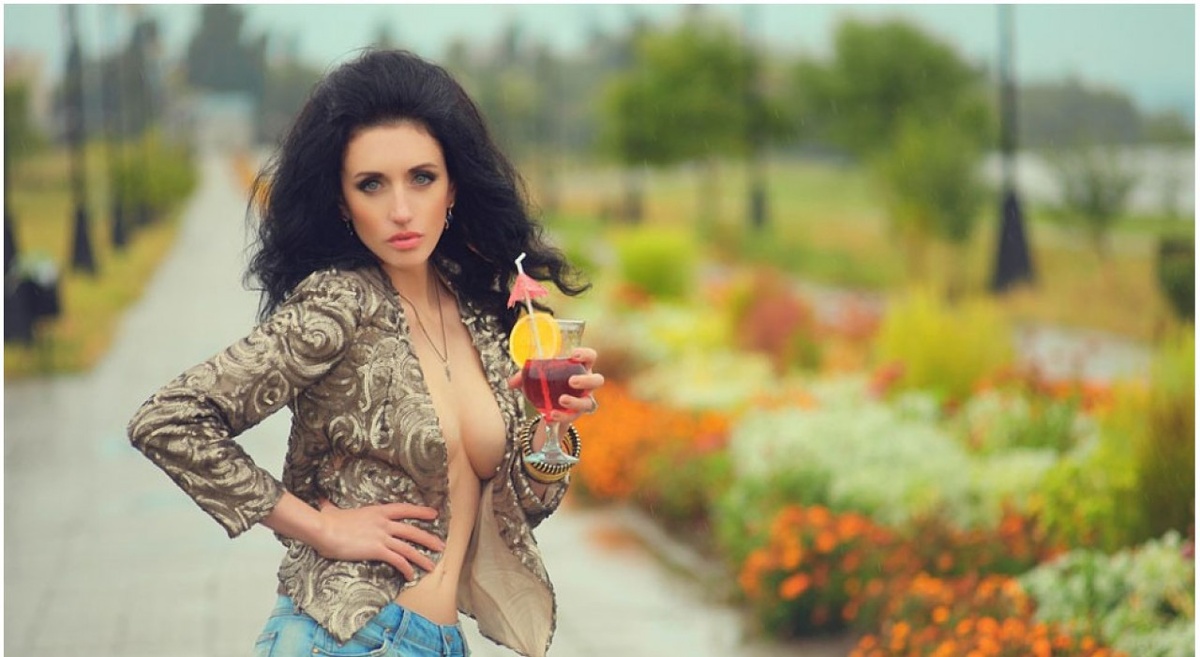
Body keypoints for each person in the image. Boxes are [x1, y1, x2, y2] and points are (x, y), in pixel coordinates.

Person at [128, 48, 603, 657]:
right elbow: (168, 419)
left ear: (453, 188)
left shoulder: (480, 314)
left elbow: (517, 509)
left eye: (421, 178)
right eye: (371, 184)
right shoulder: (337, 307)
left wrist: (552, 431)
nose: (400, 210)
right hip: (345, 637)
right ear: (342, 203)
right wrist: (320, 528)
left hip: (439, 642)